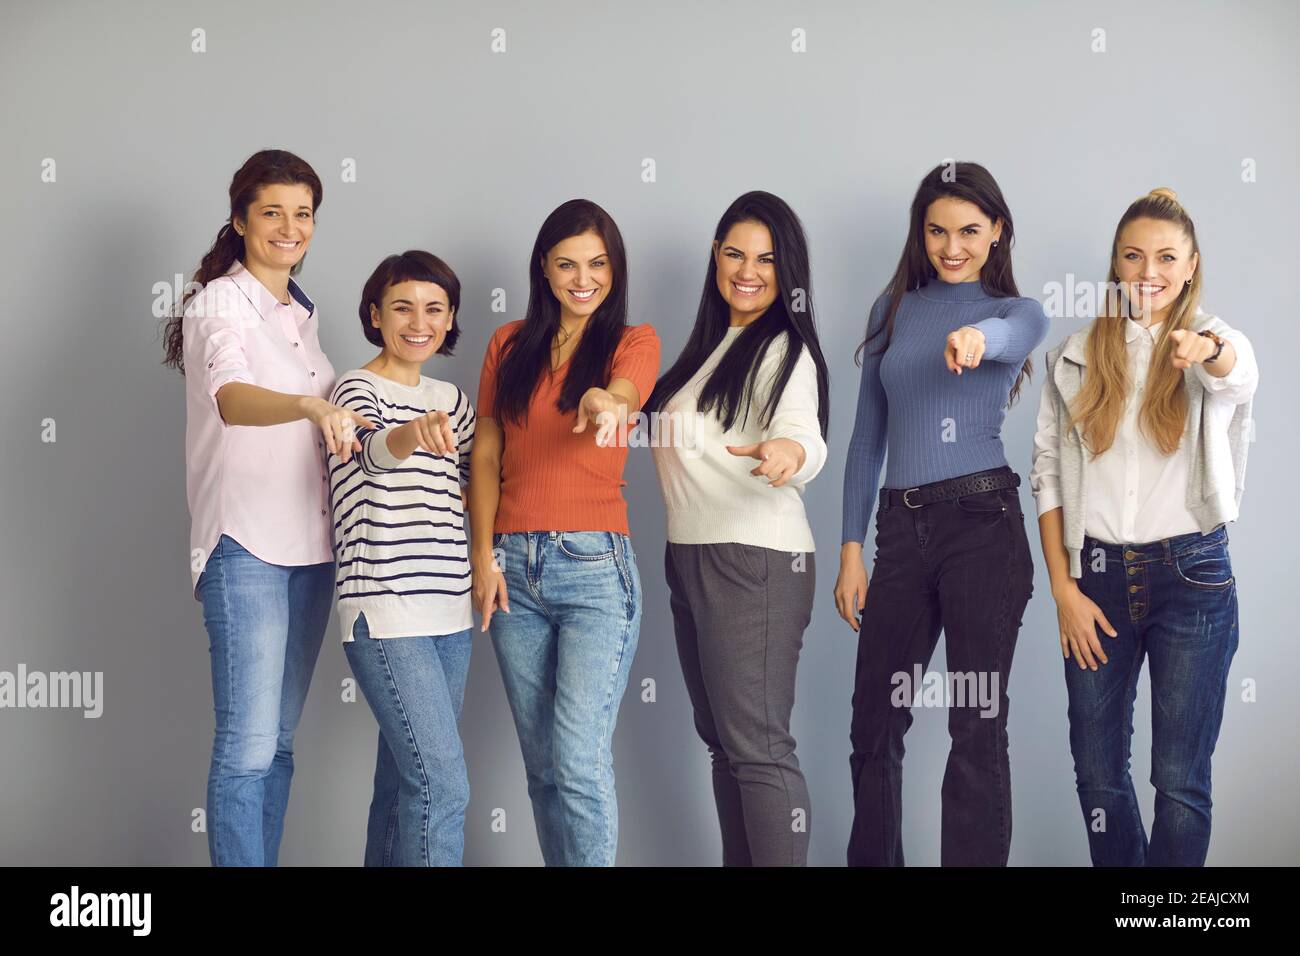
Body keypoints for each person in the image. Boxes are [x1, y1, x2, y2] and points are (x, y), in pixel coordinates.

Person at [1030, 187, 1257, 866]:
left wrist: (1204, 348)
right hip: (1094, 582)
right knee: (1098, 777)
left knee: (1179, 783)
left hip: (1192, 578)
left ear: (1190, 265)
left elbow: (1236, 375)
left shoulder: (1214, 342)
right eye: (1133, 256)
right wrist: (1063, 590)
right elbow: (1045, 474)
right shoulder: (1075, 355)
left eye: (1165, 257)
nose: (1147, 271)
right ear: (1115, 264)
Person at [836, 161, 1049, 866]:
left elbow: (1016, 336)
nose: (951, 245)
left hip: (981, 529)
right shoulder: (891, 311)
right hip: (900, 534)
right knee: (874, 723)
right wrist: (849, 551)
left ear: (996, 232)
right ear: (919, 232)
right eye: (936, 231)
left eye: (968, 230)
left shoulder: (1014, 311)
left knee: (975, 719)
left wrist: (976, 340)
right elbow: (868, 437)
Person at [163, 148, 372, 866]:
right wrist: (313, 405)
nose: (290, 226)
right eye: (272, 212)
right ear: (240, 219)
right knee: (248, 748)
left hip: (313, 553)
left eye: (303, 213)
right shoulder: (220, 302)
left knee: (278, 746)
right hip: (245, 545)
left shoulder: (300, 314)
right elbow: (231, 399)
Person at [469, 199, 660, 866]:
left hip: (593, 568)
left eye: (599, 264)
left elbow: (625, 394)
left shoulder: (632, 342)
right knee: (543, 769)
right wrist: (483, 559)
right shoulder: (507, 344)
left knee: (578, 760)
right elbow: (486, 456)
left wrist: (605, 401)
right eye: (568, 264)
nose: (585, 278)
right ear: (544, 270)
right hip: (512, 569)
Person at [645, 190, 829, 866]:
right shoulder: (705, 352)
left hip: (755, 559)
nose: (747, 269)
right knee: (725, 744)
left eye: (767, 259)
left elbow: (804, 437)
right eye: (734, 252)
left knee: (759, 748)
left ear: (789, 273)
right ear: (715, 257)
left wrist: (792, 455)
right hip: (690, 556)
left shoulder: (784, 350)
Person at [327, 251, 476, 866]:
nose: (420, 321)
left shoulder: (454, 399)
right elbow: (369, 453)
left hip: (452, 614)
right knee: (442, 787)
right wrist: (414, 433)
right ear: (375, 314)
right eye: (403, 307)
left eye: (435, 308)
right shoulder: (354, 388)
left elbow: (476, 485)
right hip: (385, 610)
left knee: (401, 788)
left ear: (450, 319)